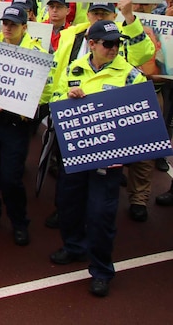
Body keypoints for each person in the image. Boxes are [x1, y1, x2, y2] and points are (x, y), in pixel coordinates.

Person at [48, 20, 146, 298]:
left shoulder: (130, 75)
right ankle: (73, 247)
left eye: (117, 43)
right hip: (76, 153)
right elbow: (54, 97)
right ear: (92, 45)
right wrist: (67, 96)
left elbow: (140, 113)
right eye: (108, 43)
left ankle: (102, 269)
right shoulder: (74, 69)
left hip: (108, 160)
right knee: (68, 204)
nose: (114, 48)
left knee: (101, 214)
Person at [0, 6, 46, 246]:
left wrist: (17, 108)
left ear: (25, 27)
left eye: (14, 24)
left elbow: (45, 91)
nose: (8, 28)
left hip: (15, 124)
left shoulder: (36, 52)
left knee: (11, 178)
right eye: (5, 23)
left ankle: (19, 222)